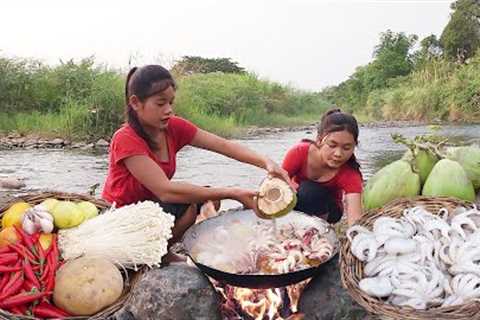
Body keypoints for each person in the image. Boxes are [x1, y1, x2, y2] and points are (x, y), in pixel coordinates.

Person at [102, 65, 292, 261]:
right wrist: (233, 192)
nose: (168, 110)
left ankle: (171, 244)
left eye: (170, 102)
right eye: (160, 104)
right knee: (188, 204)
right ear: (135, 103)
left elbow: (224, 145)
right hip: (122, 217)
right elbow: (165, 190)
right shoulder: (125, 138)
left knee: (210, 198)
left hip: (153, 206)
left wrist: (266, 162)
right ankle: (159, 254)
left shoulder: (173, 127)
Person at [282, 108, 363, 225]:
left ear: (355, 146)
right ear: (319, 140)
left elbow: (355, 216)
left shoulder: (350, 173)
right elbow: (277, 180)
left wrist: (357, 236)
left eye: (346, 148)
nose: (338, 154)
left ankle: (319, 229)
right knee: (301, 191)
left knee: (309, 192)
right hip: (296, 200)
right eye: (332, 145)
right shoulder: (299, 152)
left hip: (330, 210)